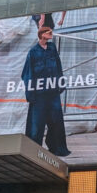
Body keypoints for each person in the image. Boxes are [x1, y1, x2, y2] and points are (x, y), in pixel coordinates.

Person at [21, 26, 70, 156]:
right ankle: (33, 151)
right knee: (36, 125)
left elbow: (58, 65)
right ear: (42, 35)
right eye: (49, 33)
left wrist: (61, 83)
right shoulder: (33, 52)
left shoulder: (52, 48)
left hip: (53, 93)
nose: (51, 35)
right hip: (39, 95)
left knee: (56, 121)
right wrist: (30, 94)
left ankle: (57, 148)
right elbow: (27, 74)